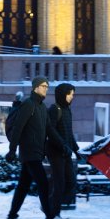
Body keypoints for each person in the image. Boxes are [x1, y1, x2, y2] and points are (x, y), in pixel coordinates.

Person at [5, 77, 68, 219]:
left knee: (23, 185)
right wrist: (12, 150)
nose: (46, 88)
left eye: (47, 86)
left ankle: (12, 217)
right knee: (43, 184)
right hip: (29, 151)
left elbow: (50, 130)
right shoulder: (28, 105)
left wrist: (63, 145)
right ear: (35, 88)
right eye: (43, 86)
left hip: (36, 152)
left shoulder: (41, 107)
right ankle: (50, 218)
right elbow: (18, 128)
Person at [47, 82, 81, 211]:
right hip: (55, 152)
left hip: (65, 152)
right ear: (62, 95)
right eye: (69, 94)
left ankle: (49, 205)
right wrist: (62, 145)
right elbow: (51, 131)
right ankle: (54, 213)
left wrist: (76, 150)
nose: (72, 96)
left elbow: (68, 132)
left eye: (73, 94)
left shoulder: (67, 110)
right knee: (59, 183)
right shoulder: (54, 109)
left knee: (71, 182)